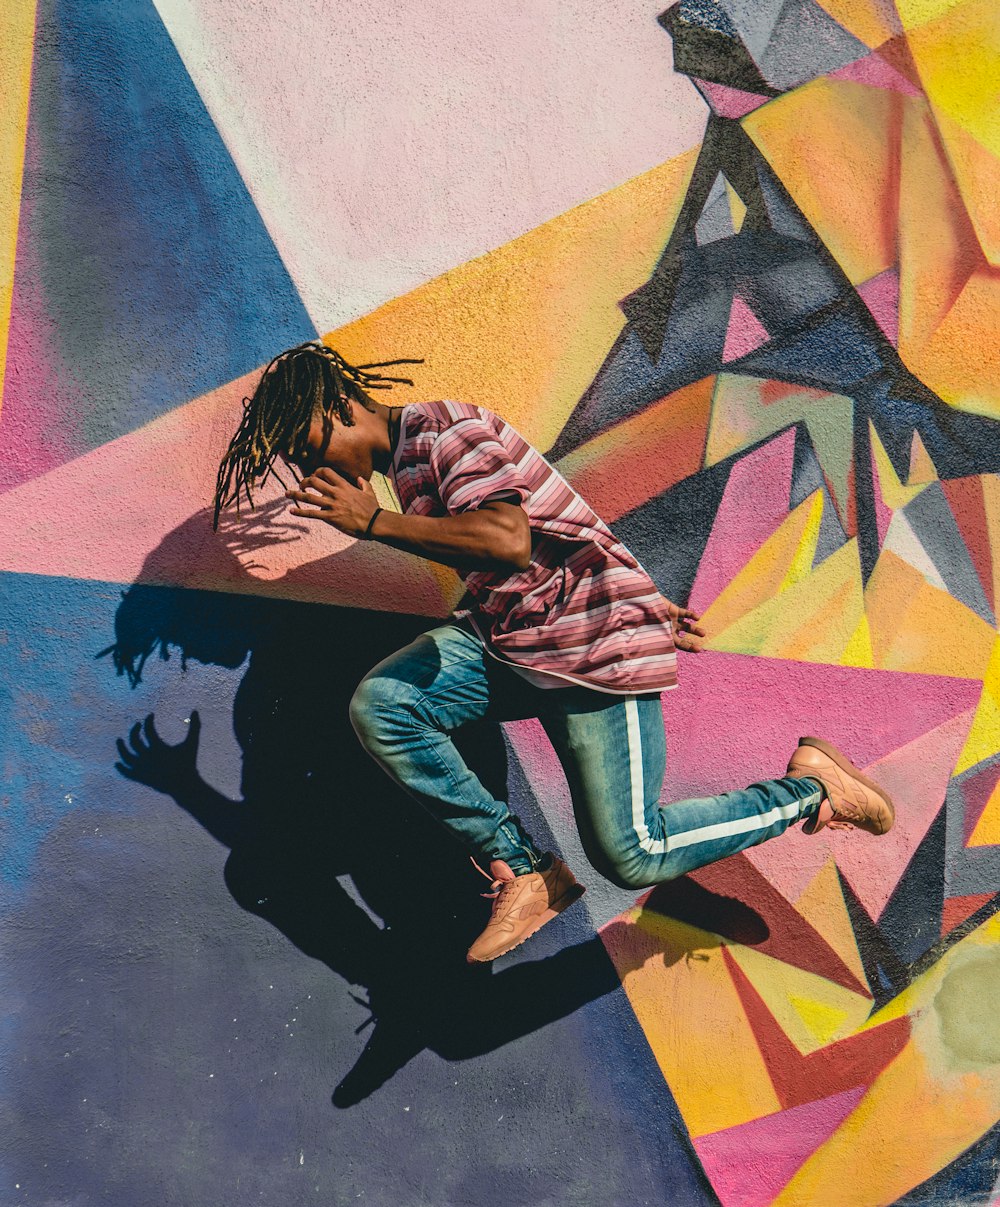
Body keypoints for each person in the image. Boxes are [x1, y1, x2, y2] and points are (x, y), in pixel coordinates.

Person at [213, 340, 895, 963]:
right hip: (522, 646)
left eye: (303, 446)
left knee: (633, 853)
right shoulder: (412, 458)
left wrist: (376, 523)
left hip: (596, 653)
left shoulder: (445, 435)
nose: (307, 468)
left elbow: (507, 537)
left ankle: (812, 790)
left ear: (335, 404)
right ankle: (527, 871)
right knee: (387, 703)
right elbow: (555, 515)